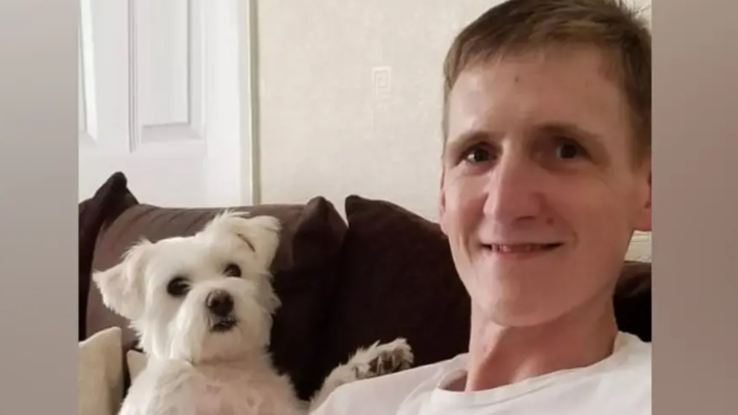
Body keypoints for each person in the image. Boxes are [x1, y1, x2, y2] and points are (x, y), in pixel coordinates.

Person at [312, 0, 652, 413]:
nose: (505, 203)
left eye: (566, 150)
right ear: (443, 193)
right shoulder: (353, 405)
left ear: (650, 189)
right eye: (477, 154)